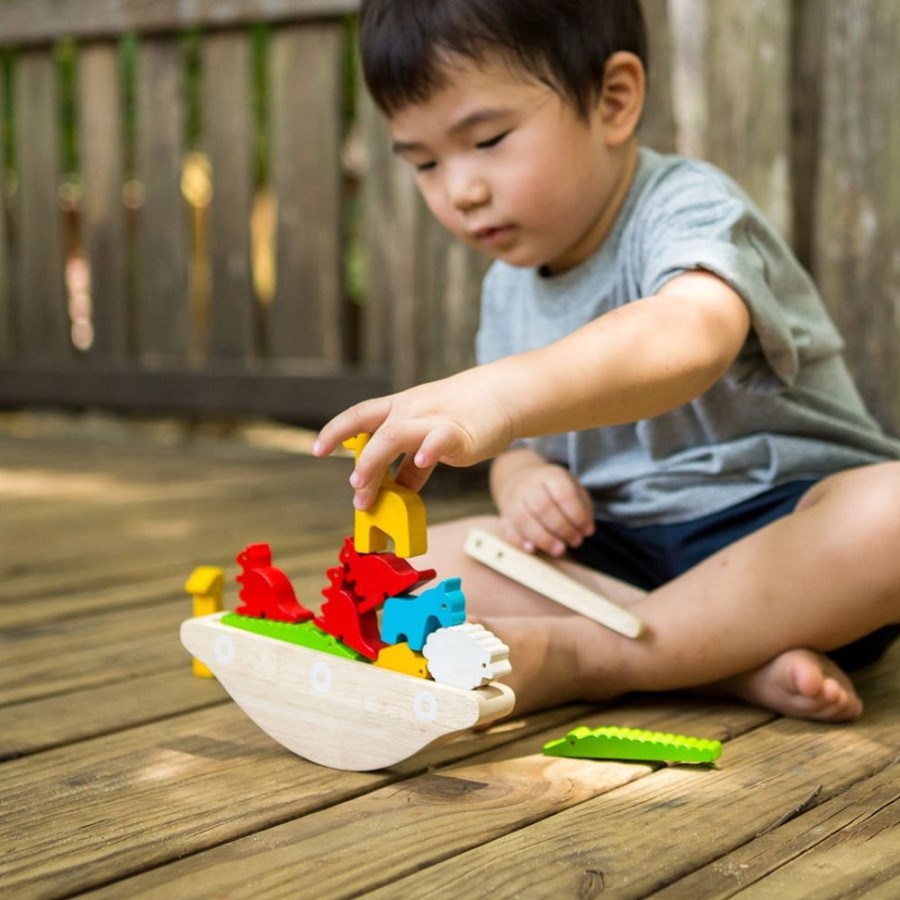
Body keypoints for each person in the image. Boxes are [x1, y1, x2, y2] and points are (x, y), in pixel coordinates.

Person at [314, 0, 900, 720]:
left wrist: (503, 393)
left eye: (490, 139)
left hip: (784, 536)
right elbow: (525, 448)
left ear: (613, 101)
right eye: (426, 163)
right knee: (435, 558)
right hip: (617, 549)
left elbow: (688, 336)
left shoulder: (685, 206)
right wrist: (523, 475)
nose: (460, 191)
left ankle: (590, 657)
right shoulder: (508, 289)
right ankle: (719, 661)